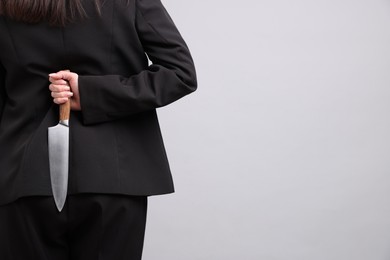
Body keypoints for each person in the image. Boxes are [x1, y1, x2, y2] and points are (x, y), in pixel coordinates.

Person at [0, 0, 197, 259]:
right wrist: (92, 93)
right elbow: (180, 73)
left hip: (24, 174)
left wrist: (87, 93)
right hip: (114, 174)